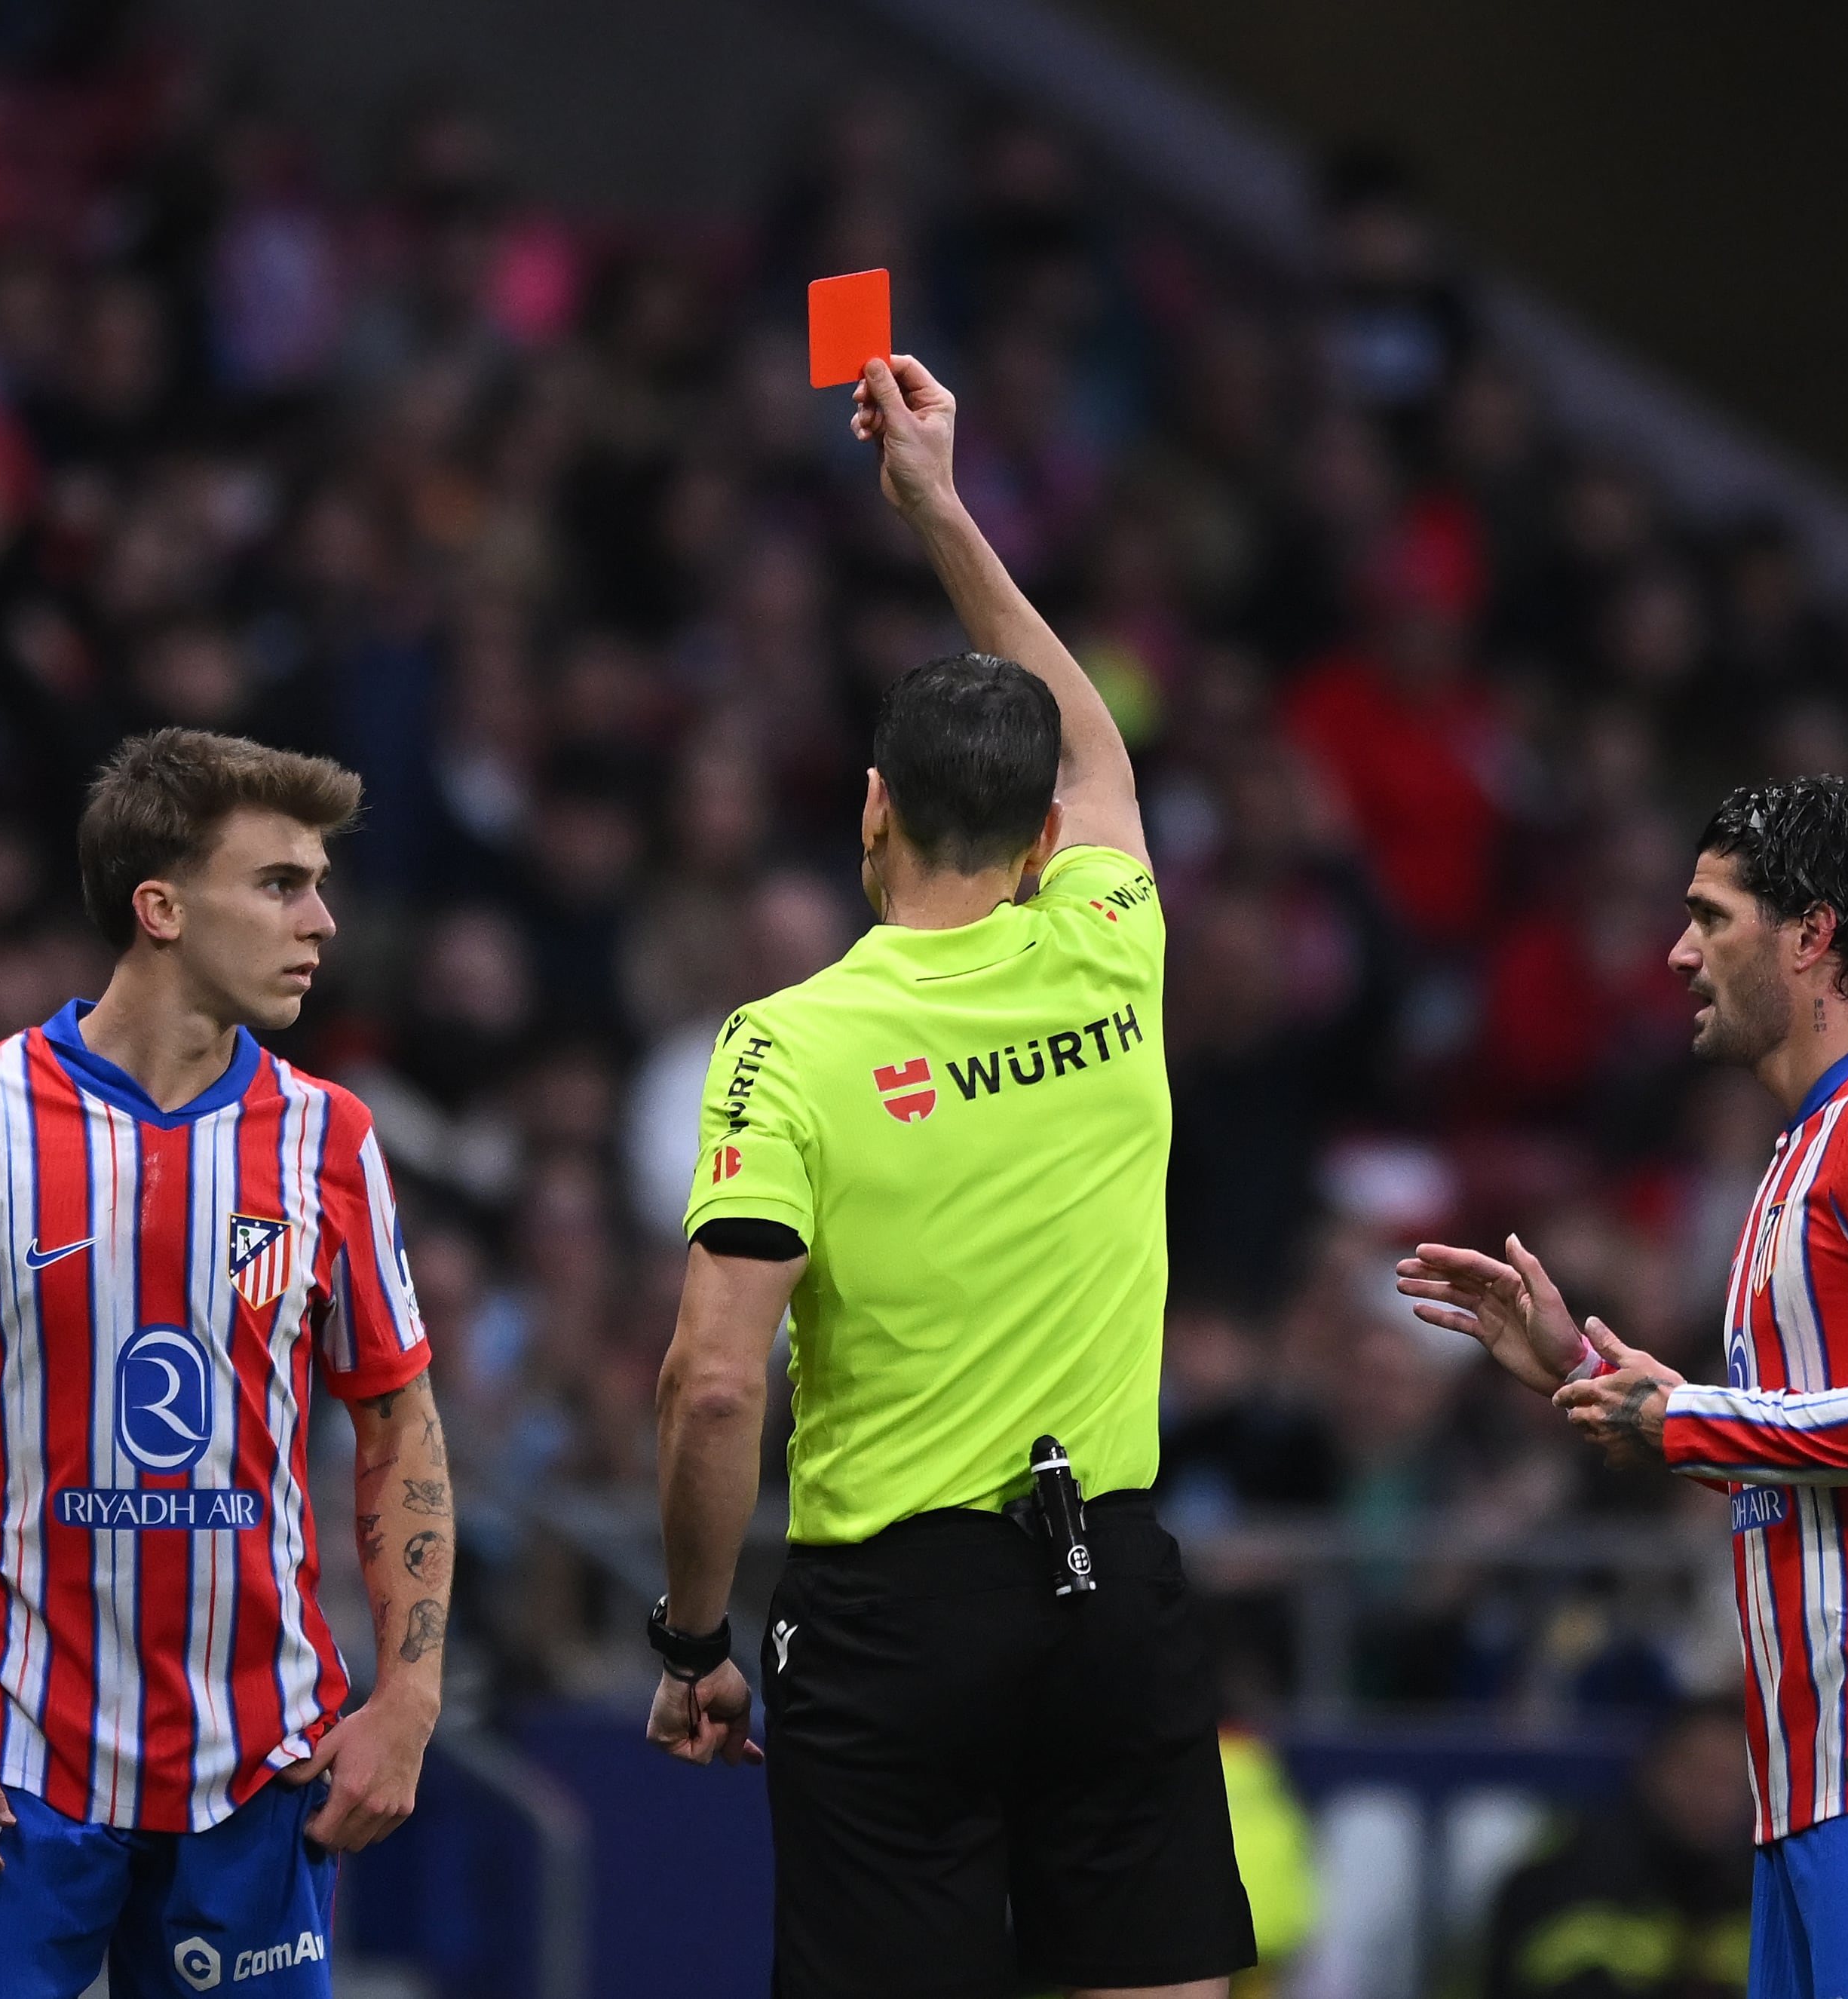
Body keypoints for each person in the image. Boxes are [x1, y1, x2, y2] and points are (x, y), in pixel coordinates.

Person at [645, 352, 1254, 1997]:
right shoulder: (1107, 944)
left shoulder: (785, 1040)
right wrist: (940, 507)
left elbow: (714, 1385)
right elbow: (1103, 754)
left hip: (894, 1616)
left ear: (870, 809)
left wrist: (694, 1636)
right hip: (1111, 1583)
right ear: (1045, 837)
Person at [1401, 776, 1848, 1999]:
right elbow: (1806, 1454)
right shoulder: (1800, 1155)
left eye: (1711, 917)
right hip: (1811, 1773)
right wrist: (1593, 1379)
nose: (1677, 950)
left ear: (1811, 934)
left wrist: (1686, 1414)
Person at [0, 728, 448, 1997]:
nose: (323, 921)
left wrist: (411, 1695)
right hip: (17, 1767)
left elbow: (400, 1430)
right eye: (281, 883)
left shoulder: (331, 1139)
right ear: (159, 906)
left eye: (321, 883)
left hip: (256, 1767)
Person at [1479, 1700, 1755, 1999]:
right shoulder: (1569, 1872)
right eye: (1698, 1774)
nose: (1712, 1798)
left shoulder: (1764, 1889)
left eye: (1730, 1782)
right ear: (1655, 1770)